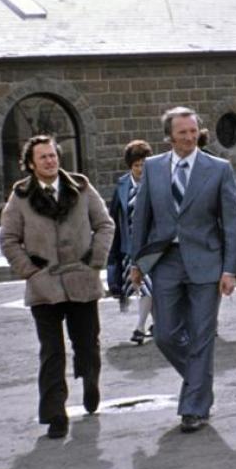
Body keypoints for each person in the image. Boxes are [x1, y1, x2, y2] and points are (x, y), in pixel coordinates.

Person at [129, 107, 236, 433]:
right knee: (164, 335)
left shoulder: (218, 169)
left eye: (194, 131)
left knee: (202, 336)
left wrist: (229, 269)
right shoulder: (152, 168)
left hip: (207, 262)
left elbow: (232, 223)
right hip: (165, 262)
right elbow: (142, 218)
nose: (190, 138)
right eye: (183, 133)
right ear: (169, 136)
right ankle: (200, 384)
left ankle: (193, 407)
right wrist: (137, 262)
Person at [0, 135, 115, 439]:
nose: (50, 161)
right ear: (31, 163)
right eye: (43, 158)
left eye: (53, 156)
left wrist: (95, 259)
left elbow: (105, 224)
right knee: (51, 352)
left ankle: (90, 381)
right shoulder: (20, 196)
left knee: (87, 344)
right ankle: (54, 414)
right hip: (44, 287)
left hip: (82, 279)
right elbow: (9, 239)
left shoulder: (81, 187)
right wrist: (30, 271)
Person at [107, 139, 155, 345]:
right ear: (130, 166)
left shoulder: (157, 182)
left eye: (144, 164)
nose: (140, 169)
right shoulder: (122, 186)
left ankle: (140, 327)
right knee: (141, 286)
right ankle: (157, 323)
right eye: (136, 165)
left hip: (153, 245)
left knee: (147, 286)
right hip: (130, 245)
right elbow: (113, 217)